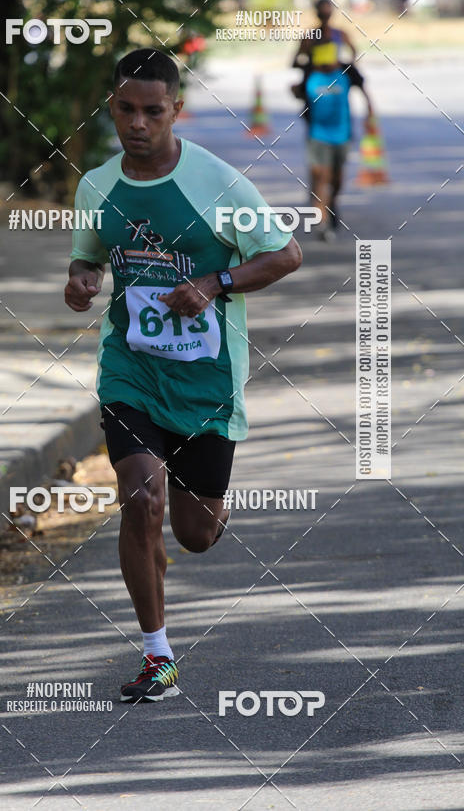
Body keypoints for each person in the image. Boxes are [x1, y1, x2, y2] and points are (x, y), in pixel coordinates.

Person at [65, 48, 302, 702]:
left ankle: (195, 502)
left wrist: (215, 281)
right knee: (141, 499)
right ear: (112, 108)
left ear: (176, 111)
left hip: (206, 380)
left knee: (196, 535)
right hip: (131, 370)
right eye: (125, 109)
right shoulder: (96, 186)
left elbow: (286, 254)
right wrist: (82, 282)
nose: (137, 123)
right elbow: (87, 262)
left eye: (152, 111)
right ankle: (157, 655)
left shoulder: (220, 184)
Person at [303, 39, 373, 239]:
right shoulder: (312, 77)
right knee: (322, 177)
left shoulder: (345, 75)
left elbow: (363, 89)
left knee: (338, 180)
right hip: (318, 135)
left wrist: (370, 113)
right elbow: (299, 91)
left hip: (342, 136)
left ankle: (331, 204)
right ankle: (322, 222)